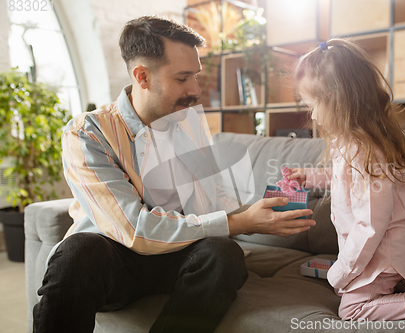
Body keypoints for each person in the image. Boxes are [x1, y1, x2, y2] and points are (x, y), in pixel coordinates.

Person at [33, 16, 315, 333]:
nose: (195, 90)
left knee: (223, 254)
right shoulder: (89, 133)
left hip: (174, 258)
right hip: (111, 261)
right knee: (78, 252)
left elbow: (211, 205)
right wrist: (239, 222)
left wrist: (256, 211)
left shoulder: (187, 124)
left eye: (195, 76)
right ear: (142, 77)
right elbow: (134, 229)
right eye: (182, 78)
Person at [288, 38, 405, 323]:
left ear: (340, 101)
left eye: (314, 105)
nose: (314, 115)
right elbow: (346, 183)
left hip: (382, 254)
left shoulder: (364, 150)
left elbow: (370, 226)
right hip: (397, 250)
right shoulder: (358, 141)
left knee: (351, 311)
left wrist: (341, 271)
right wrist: (311, 177)